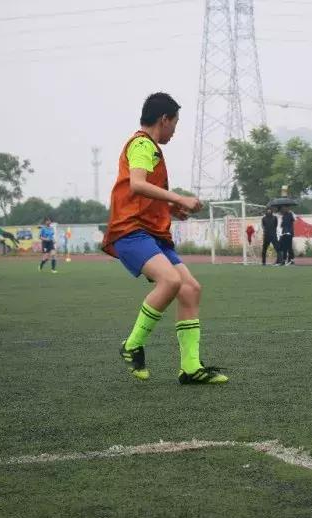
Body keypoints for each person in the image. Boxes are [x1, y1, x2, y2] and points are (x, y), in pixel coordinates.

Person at [102, 92, 228, 385]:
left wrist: (170, 208)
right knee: (171, 281)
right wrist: (178, 198)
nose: (175, 130)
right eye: (175, 123)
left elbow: (143, 193)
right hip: (130, 231)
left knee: (190, 289)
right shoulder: (143, 144)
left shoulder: (149, 148)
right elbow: (137, 184)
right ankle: (132, 345)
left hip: (151, 233)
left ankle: (190, 368)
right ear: (164, 119)